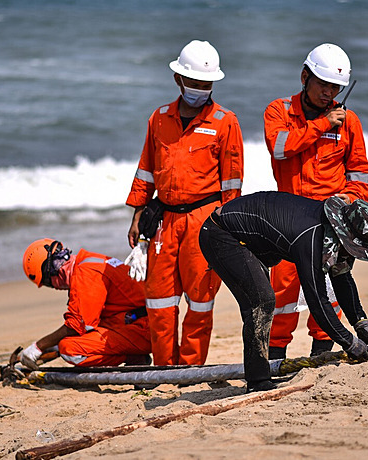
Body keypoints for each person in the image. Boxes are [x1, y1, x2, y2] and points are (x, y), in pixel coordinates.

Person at [124, 39, 244, 366]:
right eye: (194, 83)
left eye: (206, 84)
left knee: (201, 300)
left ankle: (190, 369)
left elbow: (233, 183)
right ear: (178, 79)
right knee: (159, 301)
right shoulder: (159, 118)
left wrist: (230, 229)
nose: (200, 89)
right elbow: (146, 171)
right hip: (163, 221)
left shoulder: (225, 121)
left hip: (205, 221)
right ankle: (164, 369)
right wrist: (137, 216)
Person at [199, 191, 368, 392]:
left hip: (252, 240)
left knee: (263, 300)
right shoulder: (311, 237)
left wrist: (361, 323)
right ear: (345, 234)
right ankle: (258, 381)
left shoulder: (331, 230)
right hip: (220, 234)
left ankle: (260, 376)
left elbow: (342, 279)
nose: (352, 254)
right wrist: (350, 343)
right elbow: (317, 301)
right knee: (262, 301)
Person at [263, 43, 368, 359]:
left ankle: (322, 354)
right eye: (323, 84)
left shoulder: (349, 121)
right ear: (304, 77)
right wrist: (323, 124)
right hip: (287, 218)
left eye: (335, 87)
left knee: (327, 293)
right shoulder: (279, 111)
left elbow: (360, 170)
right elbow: (280, 147)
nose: (329, 93)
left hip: (330, 221)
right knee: (282, 292)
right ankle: (275, 358)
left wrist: (350, 204)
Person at [18, 239, 151, 369]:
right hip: (140, 319)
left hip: (144, 328)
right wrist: (51, 345)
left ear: (51, 270)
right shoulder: (88, 261)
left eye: (48, 283)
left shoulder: (85, 274)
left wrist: (38, 347)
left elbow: (77, 326)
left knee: (70, 349)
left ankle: (133, 357)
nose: (54, 288)